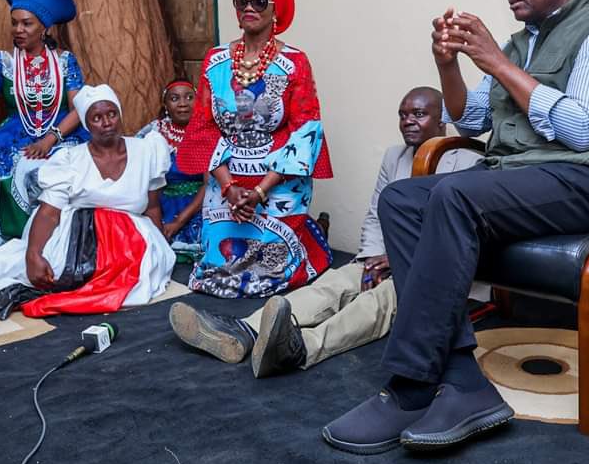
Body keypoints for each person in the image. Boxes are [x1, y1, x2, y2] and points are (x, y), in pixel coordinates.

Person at [322, 0, 589, 454]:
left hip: (588, 178)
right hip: (517, 178)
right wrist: (448, 63)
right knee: (403, 198)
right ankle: (463, 381)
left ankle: (410, 388)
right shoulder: (521, 43)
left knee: (452, 195)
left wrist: (497, 64)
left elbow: (582, 128)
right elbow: (471, 116)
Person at [169, 86, 483, 378]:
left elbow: (459, 231)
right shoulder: (394, 156)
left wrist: (398, 259)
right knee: (335, 282)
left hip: (433, 270)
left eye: (418, 114)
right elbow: (376, 213)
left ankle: (301, 348)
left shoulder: (468, 161)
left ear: (441, 119)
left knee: (376, 301)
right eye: (403, 115)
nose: (408, 122)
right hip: (386, 257)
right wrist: (373, 257)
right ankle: (244, 331)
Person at [176, 0, 333, 299]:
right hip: (227, 179)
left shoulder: (294, 62)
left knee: (270, 274)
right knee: (217, 273)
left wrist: (260, 192)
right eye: (241, 1)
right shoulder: (216, 59)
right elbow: (203, 127)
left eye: (260, 1)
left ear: (277, 11)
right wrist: (228, 187)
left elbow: (305, 131)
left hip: (278, 182)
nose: (249, 7)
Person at [0, 85, 175, 317]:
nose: (106, 123)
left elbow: (153, 206)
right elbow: (48, 213)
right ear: (86, 124)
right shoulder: (71, 159)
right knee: (4, 270)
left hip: (130, 241)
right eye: (97, 118)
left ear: (120, 115)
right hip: (76, 240)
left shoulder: (147, 150)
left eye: (111, 114)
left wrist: (160, 244)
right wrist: (33, 254)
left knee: (141, 277)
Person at [0, 0, 89, 242]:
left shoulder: (65, 61)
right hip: (16, 135)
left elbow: (79, 108)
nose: (18, 30)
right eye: (14, 23)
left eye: (26, 24)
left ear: (43, 27)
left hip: (62, 133)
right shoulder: (4, 61)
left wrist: (50, 139)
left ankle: (63, 243)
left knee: (68, 171)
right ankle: (19, 244)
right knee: (16, 166)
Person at [136, 79, 206, 257]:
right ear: (165, 104)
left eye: (189, 97)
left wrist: (179, 221)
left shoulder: (206, 132)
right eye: (175, 98)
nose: (183, 104)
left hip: (199, 204)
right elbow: (141, 177)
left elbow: (209, 185)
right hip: (161, 203)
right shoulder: (153, 133)